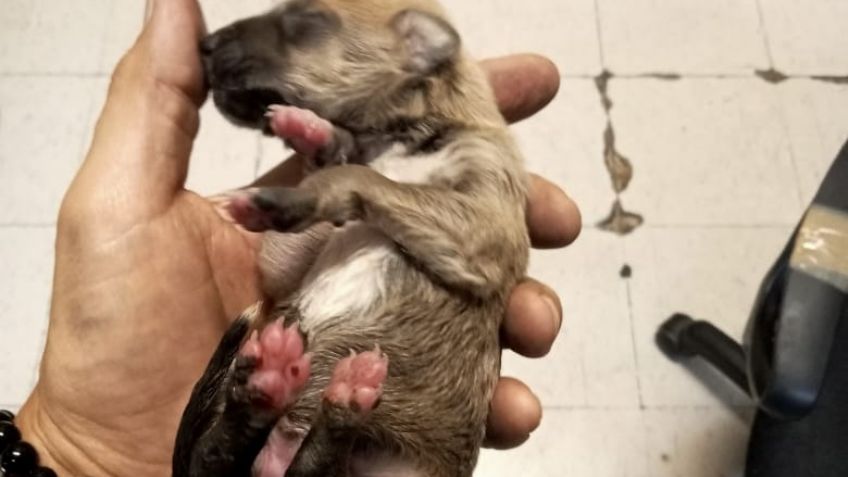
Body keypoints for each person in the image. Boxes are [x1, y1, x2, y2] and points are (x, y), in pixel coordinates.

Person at [12, 0, 581, 475]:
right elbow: (279, 274)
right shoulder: (368, 165)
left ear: (417, 48)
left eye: (304, 26)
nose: (274, 34)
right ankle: (264, 420)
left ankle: (278, 423)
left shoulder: (482, 158)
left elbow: (479, 256)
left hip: (405, 441)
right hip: (306, 404)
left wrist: (352, 187)